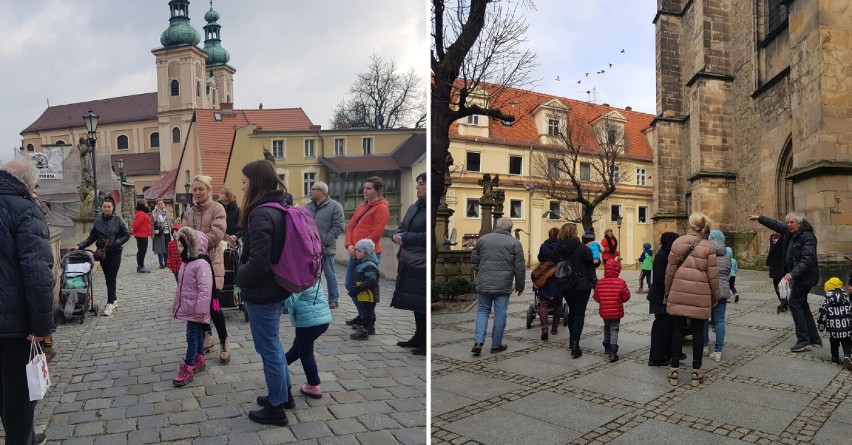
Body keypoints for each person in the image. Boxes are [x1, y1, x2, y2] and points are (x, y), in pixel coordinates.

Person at [235, 160, 295, 426]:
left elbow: (258, 261)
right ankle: (284, 394)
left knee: (268, 347)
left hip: (263, 290)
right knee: (274, 344)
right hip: (277, 286)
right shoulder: (281, 205)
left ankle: (276, 408)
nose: (242, 185)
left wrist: (238, 277)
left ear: (256, 182)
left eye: (245, 180)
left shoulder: (261, 213)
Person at [0, 160, 54, 445]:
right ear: (28, 184)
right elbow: (36, 271)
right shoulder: (24, 208)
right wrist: (41, 325)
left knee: (3, 389)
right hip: (13, 321)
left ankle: (24, 436)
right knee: (19, 393)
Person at [748, 213, 820, 351]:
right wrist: (759, 218)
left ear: (799, 223)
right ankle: (814, 338)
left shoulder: (808, 237)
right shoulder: (790, 231)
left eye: (792, 222)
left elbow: (807, 260)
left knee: (794, 303)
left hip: (805, 277)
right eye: (788, 222)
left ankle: (803, 340)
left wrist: (792, 274)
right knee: (802, 304)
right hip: (798, 276)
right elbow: (776, 225)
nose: (789, 225)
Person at [665, 212, 719, 387]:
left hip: (678, 291)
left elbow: (670, 272)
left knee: (676, 331)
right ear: (703, 226)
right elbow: (713, 276)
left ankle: (673, 371)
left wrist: (668, 292)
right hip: (700, 293)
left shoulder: (677, 242)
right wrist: (715, 296)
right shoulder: (708, 246)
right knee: (698, 332)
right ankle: (696, 372)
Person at [183, 175, 231, 364]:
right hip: (193, 264)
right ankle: (207, 336)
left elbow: (217, 234)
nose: (196, 192)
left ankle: (224, 340)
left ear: (209, 190)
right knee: (197, 303)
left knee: (213, 304)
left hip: (211, 262)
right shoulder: (189, 212)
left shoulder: (217, 208)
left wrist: (194, 243)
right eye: (194, 189)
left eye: (200, 189)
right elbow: (184, 234)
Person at [470, 217, 525, 355]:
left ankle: (478, 341)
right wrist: (520, 284)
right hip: (503, 283)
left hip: (484, 281)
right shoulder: (515, 243)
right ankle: (496, 345)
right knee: (500, 314)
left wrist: (478, 272)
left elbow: (474, 259)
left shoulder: (483, 239)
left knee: (482, 311)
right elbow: (519, 267)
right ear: (510, 228)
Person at [343, 177, 390, 331]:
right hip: (355, 253)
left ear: (378, 191)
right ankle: (363, 315)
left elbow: (376, 234)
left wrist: (361, 251)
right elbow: (350, 227)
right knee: (350, 284)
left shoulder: (381, 208)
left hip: (368, 255)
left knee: (365, 287)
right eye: (364, 188)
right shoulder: (361, 206)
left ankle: (367, 320)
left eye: (369, 188)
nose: (365, 190)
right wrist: (349, 245)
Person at [75, 196, 131, 317]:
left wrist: (116, 242)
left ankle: (110, 303)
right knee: (107, 277)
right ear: (102, 208)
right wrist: (80, 246)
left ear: (112, 208)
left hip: (115, 252)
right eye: (104, 207)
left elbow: (127, 234)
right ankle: (114, 299)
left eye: (108, 207)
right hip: (102, 253)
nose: (106, 209)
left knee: (111, 277)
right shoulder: (98, 221)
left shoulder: (118, 220)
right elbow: (92, 237)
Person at [171, 226, 212, 387]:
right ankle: (199, 358)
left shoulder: (200, 264)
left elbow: (205, 289)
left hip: (196, 309)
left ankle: (188, 366)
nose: (179, 248)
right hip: (189, 308)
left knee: (192, 337)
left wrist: (201, 310)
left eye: (181, 245)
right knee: (197, 335)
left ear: (190, 246)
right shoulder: (187, 263)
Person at [391, 174, 427, 355]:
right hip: (409, 259)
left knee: (423, 302)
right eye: (417, 184)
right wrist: (396, 235)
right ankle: (419, 336)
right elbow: (403, 226)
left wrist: (406, 237)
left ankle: (425, 340)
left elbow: (428, 236)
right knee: (416, 303)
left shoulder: (429, 208)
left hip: (422, 261)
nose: (417, 187)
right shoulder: (414, 207)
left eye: (421, 184)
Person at [284, 281, 331, 398]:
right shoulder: (310, 272)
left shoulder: (298, 277)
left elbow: (288, 302)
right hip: (321, 320)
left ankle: (313, 385)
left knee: (305, 353)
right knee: (299, 347)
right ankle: (282, 364)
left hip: (308, 322)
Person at [557, 223, 596, 358]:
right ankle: (575, 345)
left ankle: (571, 340)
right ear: (573, 232)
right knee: (579, 313)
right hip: (582, 284)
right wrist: (594, 282)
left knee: (572, 311)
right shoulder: (582, 248)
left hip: (565, 284)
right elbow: (591, 265)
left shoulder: (558, 247)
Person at [305, 181, 345, 309]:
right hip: (310, 248)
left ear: (321, 191)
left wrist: (324, 241)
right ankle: (313, 298)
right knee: (310, 274)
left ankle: (333, 299)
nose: (310, 191)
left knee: (329, 274)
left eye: (312, 189)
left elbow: (339, 226)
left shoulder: (335, 206)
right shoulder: (308, 207)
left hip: (326, 247)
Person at [647, 232, 680, 367]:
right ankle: (656, 357)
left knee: (665, 326)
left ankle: (666, 353)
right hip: (660, 297)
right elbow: (661, 279)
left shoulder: (665, 254)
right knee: (660, 327)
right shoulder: (662, 256)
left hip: (662, 297)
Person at [593, 260, 631, 362]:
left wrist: (603, 301)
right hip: (616, 311)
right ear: (618, 271)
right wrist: (619, 300)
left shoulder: (600, 282)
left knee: (606, 327)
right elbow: (627, 296)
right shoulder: (621, 282)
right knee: (614, 329)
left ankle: (607, 346)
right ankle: (613, 352)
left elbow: (596, 297)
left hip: (604, 311)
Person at [703, 230, 731, 363]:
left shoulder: (706, 251)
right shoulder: (727, 254)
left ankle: (705, 346)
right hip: (722, 290)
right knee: (720, 320)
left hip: (707, 289)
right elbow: (728, 271)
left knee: (704, 318)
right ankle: (718, 351)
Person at [348, 239, 381, 341]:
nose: (356, 252)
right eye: (356, 250)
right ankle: (370, 328)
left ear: (366, 253)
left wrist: (358, 288)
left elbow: (371, 280)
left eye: (359, 250)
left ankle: (364, 331)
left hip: (369, 293)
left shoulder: (369, 265)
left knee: (368, 312)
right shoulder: (363, 262)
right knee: (369, 311)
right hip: (365, 293)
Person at [817, 277, 852, 369]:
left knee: (834, 344)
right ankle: (847, 355)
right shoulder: (847, 299)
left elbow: (822, 315)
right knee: (847, 343)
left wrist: (821, 326)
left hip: (833, 329)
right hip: (846, 328)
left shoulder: (825, 302)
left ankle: (834, 358)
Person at [536, 227, 563, 340]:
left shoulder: (543, 246)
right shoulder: (561, 247)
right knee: (558, 304)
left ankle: (545, 328)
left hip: (544, 277)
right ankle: (555, 328)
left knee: (543, 303)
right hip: (557, 277)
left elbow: (540, 258)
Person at [767, 232, 787, 312]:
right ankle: (782, 301)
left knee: (782, 285)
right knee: (776, 284)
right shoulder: (772, 237)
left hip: (782, 265)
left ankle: (784, 303)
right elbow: (771, 250)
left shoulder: (785, 236)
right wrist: (768, 261)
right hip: (774, 264)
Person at [131, 199, 152, 273]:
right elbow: (136, 224)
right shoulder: (141, 214)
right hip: (141, 235)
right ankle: (140, 266)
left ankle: (141, 265)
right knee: (142, 251)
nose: (147, 205)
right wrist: (133, 231)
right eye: (146, 204)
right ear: (143, 205)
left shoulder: (141, 213)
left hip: (142, 234)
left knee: (142, 250)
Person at [151, 198, 172, 268]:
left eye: (161, 204)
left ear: (163, 204)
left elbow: (170, 221)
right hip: (159, 232)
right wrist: (152, 233)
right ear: (156, 205)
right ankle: (161, 262)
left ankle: (166, 261)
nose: (160, 205)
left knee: (167, 248)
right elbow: (152, 224)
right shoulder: (154, 212)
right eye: (159, 204)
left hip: (167, 232)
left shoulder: (166, 211)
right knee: (160, 248)